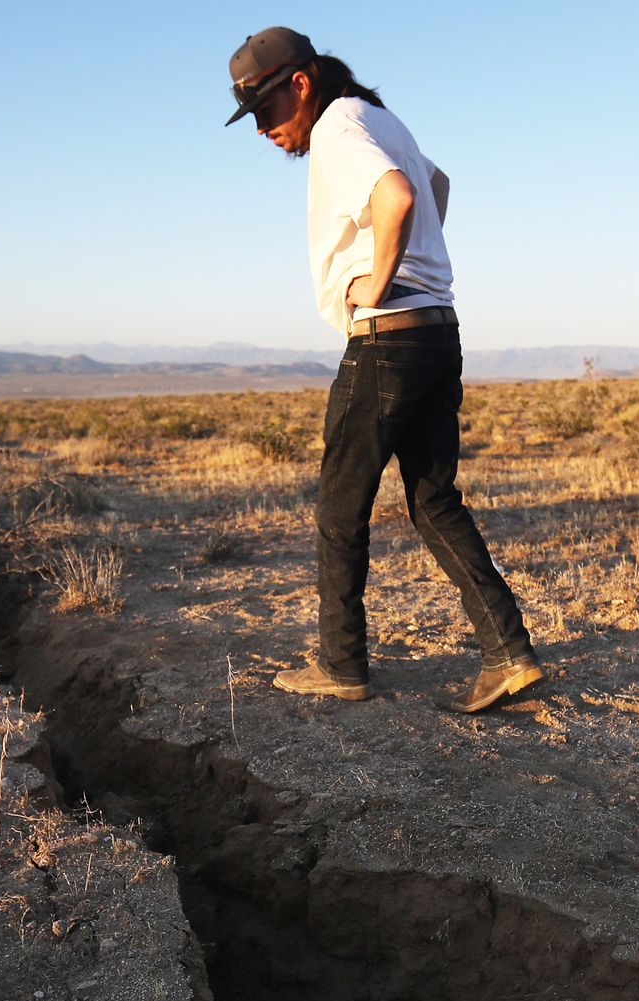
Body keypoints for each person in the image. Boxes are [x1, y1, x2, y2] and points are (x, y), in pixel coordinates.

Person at [223, 26, 543, 714]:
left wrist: (376, 283)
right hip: (437, 331)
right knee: (433, 501)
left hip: (387, 341)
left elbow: (399, 196)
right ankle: (509, 655)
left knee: (341, 508)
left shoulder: (339, 127)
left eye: (264, 111)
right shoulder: (379, 118)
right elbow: (436, 183)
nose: (262, 131)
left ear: (299, 83)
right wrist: (418, 267)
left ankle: (341, 665)